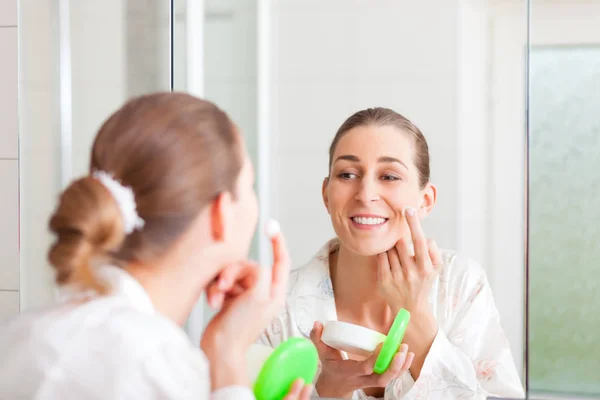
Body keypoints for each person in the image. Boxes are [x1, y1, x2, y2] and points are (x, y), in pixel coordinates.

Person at [0, 93, 313, 400]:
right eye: (248, 188)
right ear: (222, 214)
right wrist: (227, 354)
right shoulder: (156, 369)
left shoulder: (22, 333)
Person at [259, 108, 525, 399]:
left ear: (425, 201)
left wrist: (416, 316)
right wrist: (330, 390)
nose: (365, 193)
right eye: (347, 174)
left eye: (388, 176)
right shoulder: (274, 307)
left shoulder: (460, 285)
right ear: (326, 194)